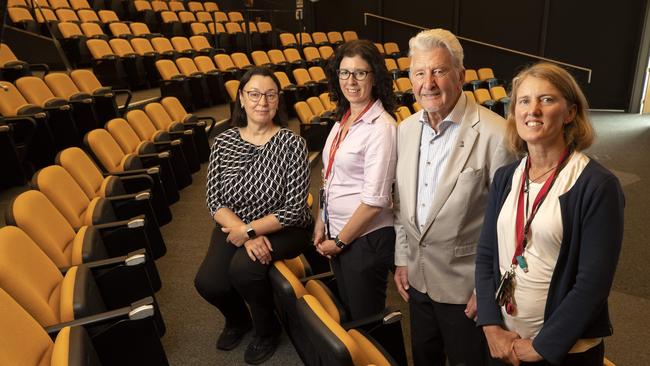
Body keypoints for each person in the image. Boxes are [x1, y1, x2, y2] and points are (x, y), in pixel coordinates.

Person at [475, 62, 624, 366]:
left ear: (570, 113)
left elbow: (593, 283)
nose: (533, 110)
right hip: (504, 345)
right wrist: (491, 327)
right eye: (524, 100)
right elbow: (486, 254)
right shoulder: (506, 177)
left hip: (562, 353)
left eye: (547, 99)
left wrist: (542, 347)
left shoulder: (596, 185)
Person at [392, 28, 513, 366]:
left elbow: (509, 224)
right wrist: (403, 256)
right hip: (418, 279)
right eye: (418, 72)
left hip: (467, 290)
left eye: (438, 71)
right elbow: (402, 204)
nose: (427, 82)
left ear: (460, 76)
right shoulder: (405, 130)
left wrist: (488, 290)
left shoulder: (496, 135)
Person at [194, 67, 313, 365]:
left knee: (244, 269)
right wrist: (244, 230)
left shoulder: (291, 143)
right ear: (242, 100)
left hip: (286, 227)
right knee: (208, 283)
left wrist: (250, 232)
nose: (262, 101)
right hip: (234, 224)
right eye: (255, 94)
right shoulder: (223, 142)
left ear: (278, 101)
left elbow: (295, 208)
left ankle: (266, 330)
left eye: (270, 95)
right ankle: (238, 321)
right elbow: (214, 200)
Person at [313, 39, 398, 320]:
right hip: (339, 234)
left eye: (360, 73)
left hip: (364, 241)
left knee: (367, 321)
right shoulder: (343, 120)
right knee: (349, 314)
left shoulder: (382, 128)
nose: (351, 80)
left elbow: (375, 202)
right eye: (344, 72)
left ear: (375, 78)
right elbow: (329, 178)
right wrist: (320, 222)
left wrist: (338, 243)